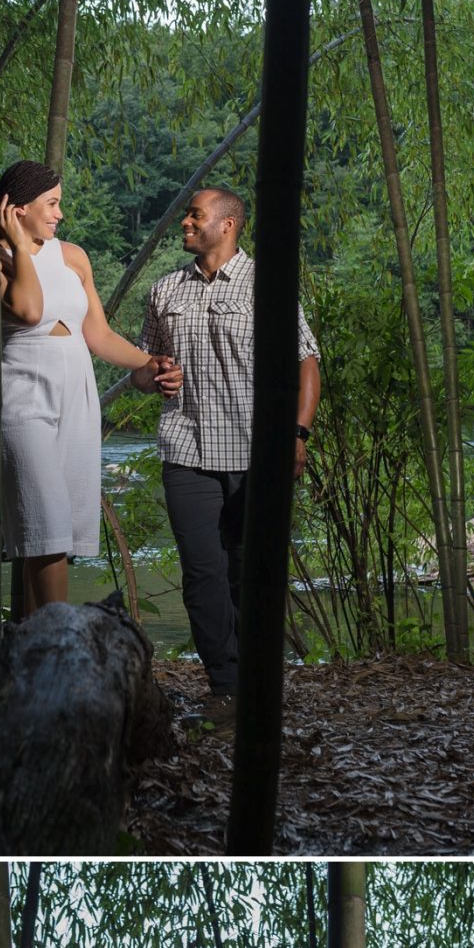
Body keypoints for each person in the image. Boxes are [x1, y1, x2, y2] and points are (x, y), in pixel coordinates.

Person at [131, 188, 321, 721]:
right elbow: (143, 371)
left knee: (249, 571)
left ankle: (258, 680)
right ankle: (226, 686)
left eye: (196, 215)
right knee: (202, 573)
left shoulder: (268, 285)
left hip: (256, 452)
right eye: (188, 214)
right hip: (185, 448)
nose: (185, 222)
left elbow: (307, 363)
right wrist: (153, 374)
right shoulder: (165, 289)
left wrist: (297, 435)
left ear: (229, 224)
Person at [0, 161, 176, 617]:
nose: (60, 214)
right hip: (23, 393)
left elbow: (98, 336)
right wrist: (19, 245)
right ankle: (59, 639)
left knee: (51, 533)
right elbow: (30, 309)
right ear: (18, 210)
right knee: (46, 520)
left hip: (76, 392)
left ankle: (34, 638)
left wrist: (151, 363)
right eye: (52, 204)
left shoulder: (73, 257)